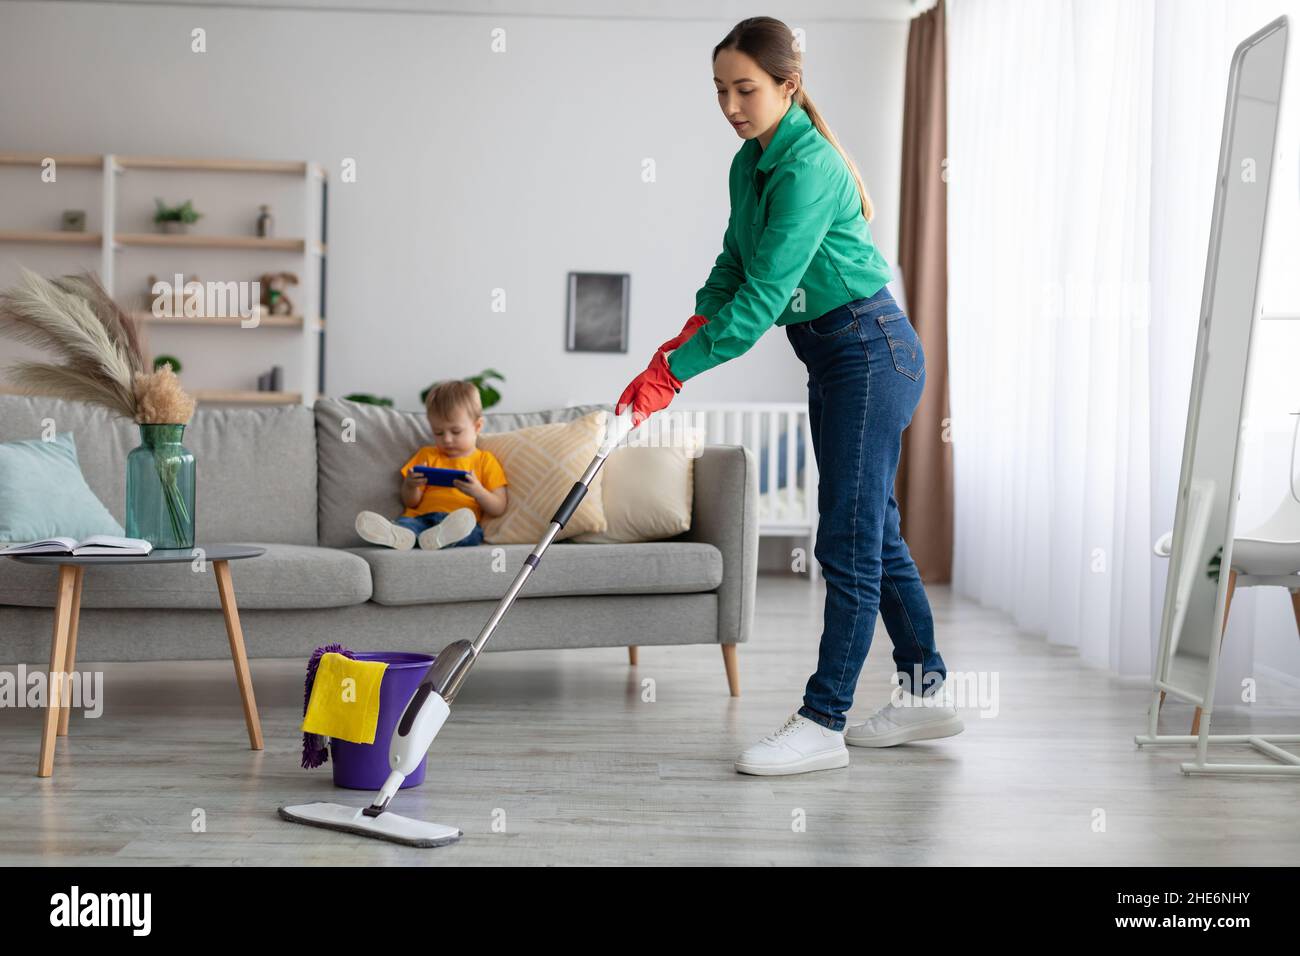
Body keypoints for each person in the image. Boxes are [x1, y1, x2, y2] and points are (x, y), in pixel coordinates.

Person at [616, 17, 963, 777]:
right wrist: (676, 344)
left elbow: (767, 296)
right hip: (838, 358)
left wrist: (679, 372)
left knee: (843, 536)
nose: (731, 104)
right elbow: (731, 268)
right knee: (876, 532)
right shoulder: (750, 165)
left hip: (870, 351)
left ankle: (822, 721)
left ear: (788, 86)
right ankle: (926, 689)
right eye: (720, 90)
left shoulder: (809, 168)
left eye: (746, 89)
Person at [355, 380, 508, 551]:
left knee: (472, 532)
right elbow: (411, 502)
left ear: (477, 426)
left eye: (456, 432)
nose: (447, 439)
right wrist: (411, 486)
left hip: (456, 522)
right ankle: (398, 535)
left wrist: (477, 491)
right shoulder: (426, 455)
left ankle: (435, 538)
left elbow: (498, 507)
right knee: (406, 525)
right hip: (420, 518)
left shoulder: (485, 460)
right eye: (438, 433)